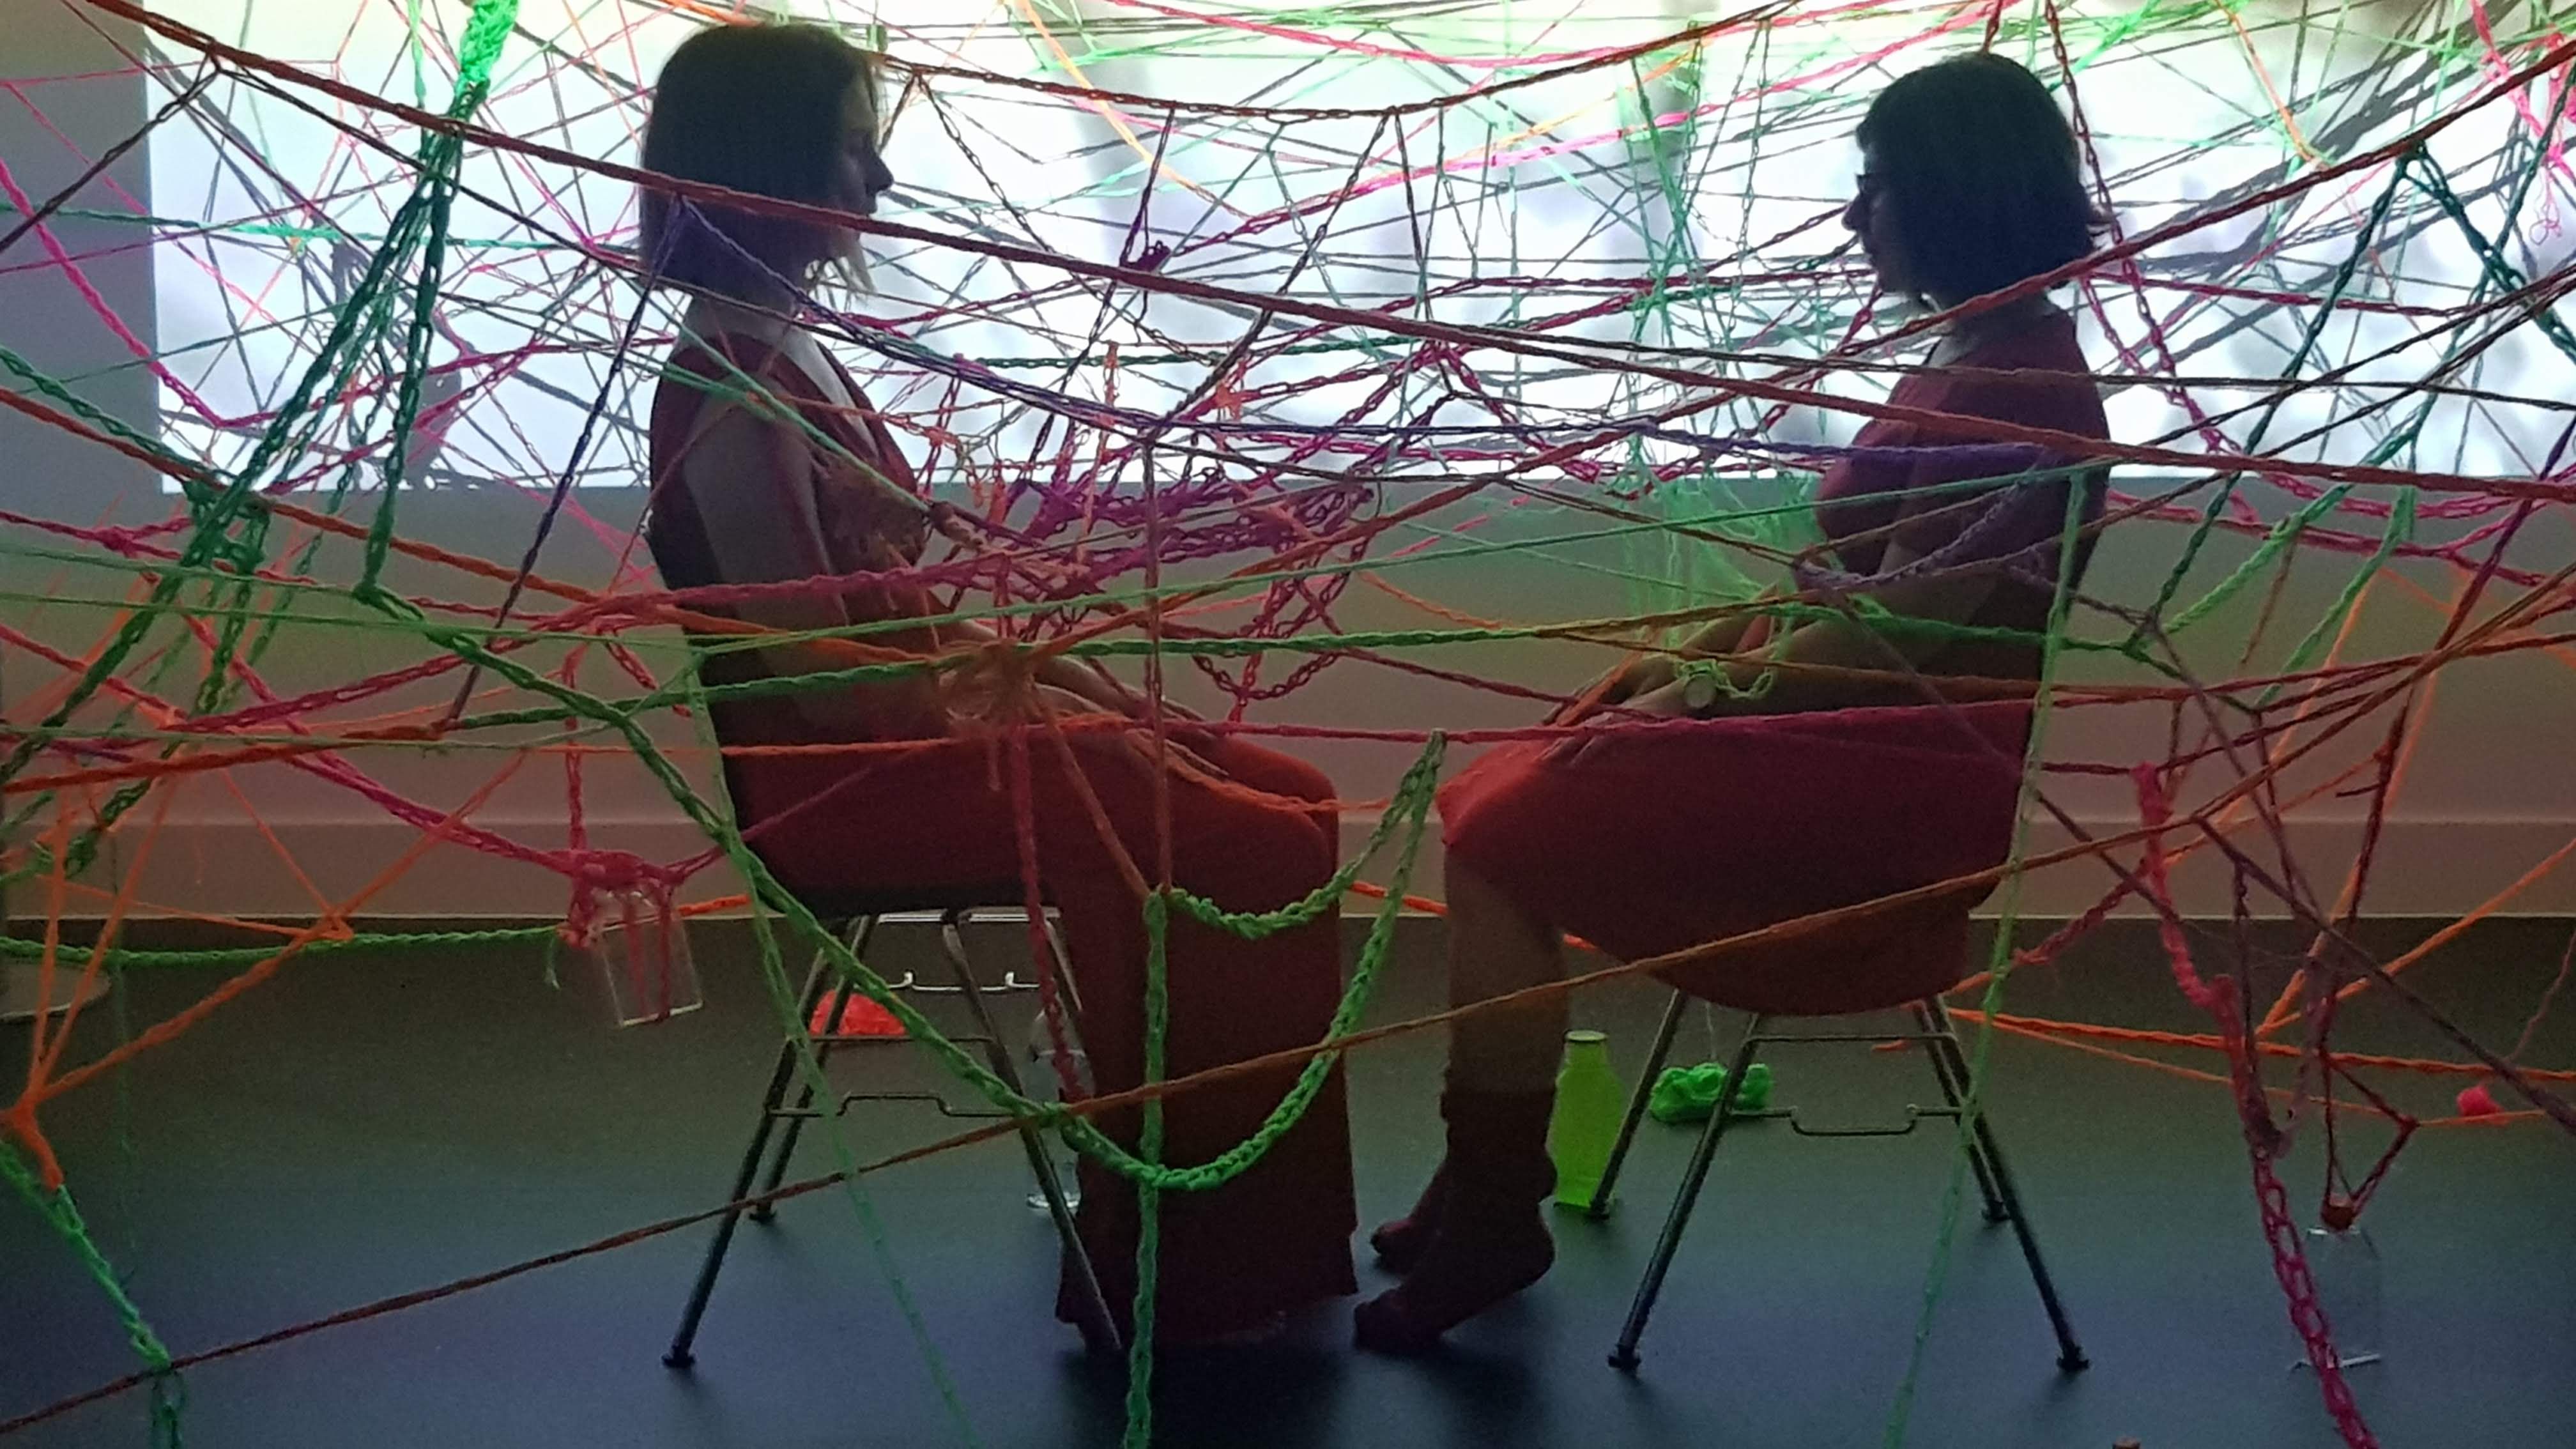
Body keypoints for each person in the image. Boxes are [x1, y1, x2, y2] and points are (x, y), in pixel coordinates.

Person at [1354, 52, 2115, 1354]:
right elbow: (1852, 584)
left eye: (1876, 187)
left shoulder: (2028, 387)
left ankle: (1496, 1205)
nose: (1852, 217)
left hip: (1888, 791)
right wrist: (1680, 661)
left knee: (1497, 842)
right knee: (1494, 799)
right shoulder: (1976, 351)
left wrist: (1709, 688)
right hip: (1829, 725)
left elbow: (1903, 637)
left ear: (1952, 194)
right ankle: (1487, 1182)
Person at [635, 22, 1356, 1345]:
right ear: (770, 163)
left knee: (1292, 801)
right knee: (1231, 839)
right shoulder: (734, 386)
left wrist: (1046, 677)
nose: (884, 181)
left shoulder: (793, 347)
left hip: (921, 740)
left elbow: (888, 622)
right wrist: (1020, 697)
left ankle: (1269, 1229)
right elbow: (820, 682)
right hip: (852, 791)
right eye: (855, 147)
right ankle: (1177, 1248)